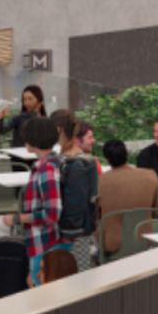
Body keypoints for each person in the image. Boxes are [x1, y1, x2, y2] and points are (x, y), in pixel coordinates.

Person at [95, 139, 158, 256]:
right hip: (144, 241)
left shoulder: (99, 182)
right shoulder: (151, 175)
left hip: (112, 245)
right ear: (126, 154)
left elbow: (96, 215)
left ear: (107, 160)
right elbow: (155, 211)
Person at [13, 117, 62, 260]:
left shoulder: (47, 170)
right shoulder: (49, 164)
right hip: (43, 243)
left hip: (45, 244)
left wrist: (18, 218)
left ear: (30, 142)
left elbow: (52, 214)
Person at [53, 116, 100, 270]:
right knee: (79, 271)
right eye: (90, 137)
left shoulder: (56, 162)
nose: (93, 140)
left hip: (61, 229)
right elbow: (93, 199)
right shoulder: (88, 162)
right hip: (80, 230)